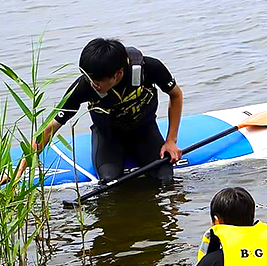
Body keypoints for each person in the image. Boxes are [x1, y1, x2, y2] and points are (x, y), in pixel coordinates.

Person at [1, 38, 182, 185]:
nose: (91, 84)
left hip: (145, 131)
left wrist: (171, 141)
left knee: (165, 177)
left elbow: (176, 95)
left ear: (117, 74)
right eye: (88, 77)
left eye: (96, 80)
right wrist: (19, 171)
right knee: (110, 181)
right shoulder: (84, 86)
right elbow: (51, 127)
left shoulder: (149, 69)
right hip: (109, 137)